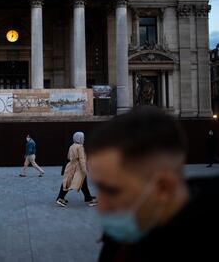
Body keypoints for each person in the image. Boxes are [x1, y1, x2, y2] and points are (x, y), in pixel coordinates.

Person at [85, 106, 219, 262]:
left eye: (112, 191)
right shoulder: (118, 243)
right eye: (98, 188)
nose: (100, 207)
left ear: (163, 187)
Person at [56, 132, 98, 207]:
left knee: (79, 182)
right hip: (78, 168)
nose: (84, 139)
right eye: (83, 137)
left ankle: (87, 197)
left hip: (71, 166)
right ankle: (60, 198)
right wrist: (85, 170)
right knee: (71, 183)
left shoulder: (72, 146)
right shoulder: (80, 147)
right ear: (80, 138)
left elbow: (69, 156)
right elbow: (82, 159)